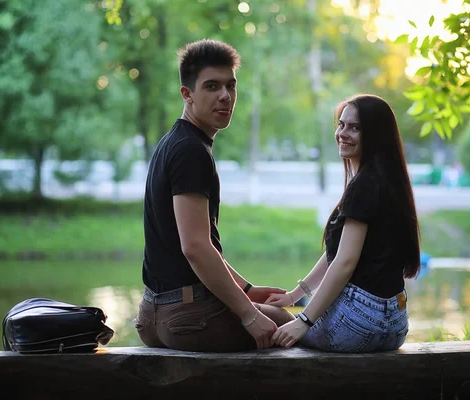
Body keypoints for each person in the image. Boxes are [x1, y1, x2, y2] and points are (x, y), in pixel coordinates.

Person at [134, 39, 294, 352]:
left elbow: (198, 245)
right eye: (211, 86)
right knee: (291, 328)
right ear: (187, 94)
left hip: (155, 314)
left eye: (230, 86)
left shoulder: (175, 142)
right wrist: (248, 314)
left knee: (279, 318)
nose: (225, 96)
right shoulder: (191, 151)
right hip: (188, 317)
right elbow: (195, 247)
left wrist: (247, 289)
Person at [265, 94, 421, 353]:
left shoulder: (364, 185)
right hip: (395, 326)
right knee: (276, 316)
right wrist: (294, 296)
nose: (343, 133)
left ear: (376, 135)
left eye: (355, 128)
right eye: (341, 124)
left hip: (359, 323)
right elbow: (336, 253)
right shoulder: (390, 183)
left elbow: (345, 262)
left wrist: (303, 321)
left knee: (263, 318)